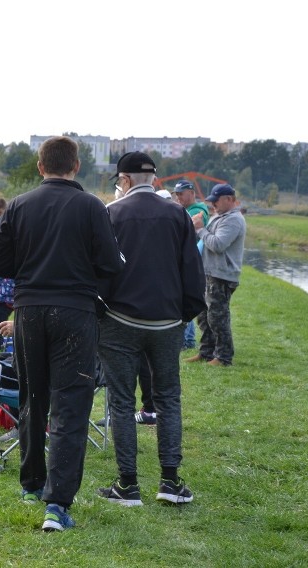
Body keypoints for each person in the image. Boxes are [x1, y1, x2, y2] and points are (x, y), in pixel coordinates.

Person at [0, 136, 125, 532]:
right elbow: (112, 264)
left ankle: (31, 483)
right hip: (75, 312)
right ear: (76, 166)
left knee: (33, 395)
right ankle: (57, 504)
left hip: (28, 311)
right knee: (71, 403)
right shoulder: (91, 206)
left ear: (39, 166)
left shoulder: (17, 205)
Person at [96, 151, 205, 507]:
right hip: (167, 321)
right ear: (154, 178)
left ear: (124, 180)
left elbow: (102, 271)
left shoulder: (111, 213)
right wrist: (185, 314)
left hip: (121, 319)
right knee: (168, 399)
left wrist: (102, 309)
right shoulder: (178, 215)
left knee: (122, 401)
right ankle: (170, 481)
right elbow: (192, 268)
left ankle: (128, 484)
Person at [185, 183, 247, 366]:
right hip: (210, 272)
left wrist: (199, 228)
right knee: (204, 316)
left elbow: (218, 244)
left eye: (216, 201)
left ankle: (223, 357)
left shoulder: (233, 220)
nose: (213, 205)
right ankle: (206, 352)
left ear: (229, 199)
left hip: (222, 275)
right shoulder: (220, 216)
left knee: (218, 317)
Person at [173, 180, 211, 349]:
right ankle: (188, 340)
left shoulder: (196, 211)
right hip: (190, 261)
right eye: (177, 194)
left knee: (184, 299)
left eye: (181, 193)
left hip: (190, 262)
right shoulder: (188, 210)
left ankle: (187, 341)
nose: (179, 197)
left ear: (191, 192)